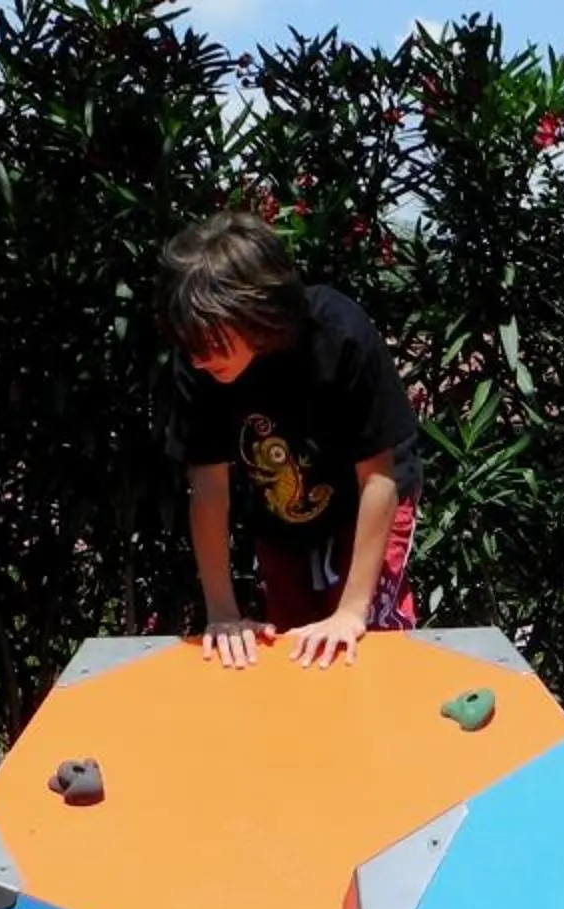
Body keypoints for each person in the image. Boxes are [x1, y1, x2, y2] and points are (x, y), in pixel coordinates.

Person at [157, 212, 422, 670]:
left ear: (257, 313)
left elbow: (379, 480)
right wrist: (222, 613)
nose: (199, 358)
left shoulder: (340, 334)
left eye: (212, 341)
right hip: (281, 505)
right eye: (190, 343)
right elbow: (209, 486)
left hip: (368, 499)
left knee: (360, 644)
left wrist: (351, 612)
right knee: (292, 647)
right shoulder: (200, 359)